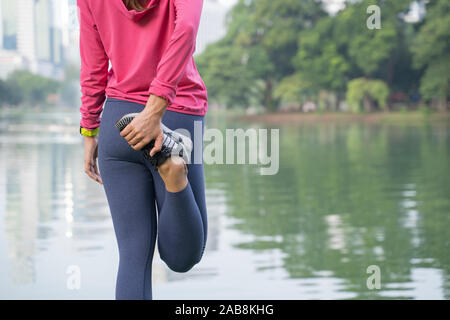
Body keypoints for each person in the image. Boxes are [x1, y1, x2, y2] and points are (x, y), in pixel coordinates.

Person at [77, 0, 208, 300]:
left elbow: (93, 65)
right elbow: (186, 29)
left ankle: (172, 170)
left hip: (118, 125)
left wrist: (89, 131)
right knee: (184, 257)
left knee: (133, 258)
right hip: (177, 115)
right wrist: (155, 107)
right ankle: (174, 174)